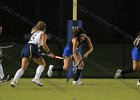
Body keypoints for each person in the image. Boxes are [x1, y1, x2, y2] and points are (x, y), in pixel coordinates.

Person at [10, 21, 55, 87]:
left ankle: (13, 81)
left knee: (23, 68)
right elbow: (43, 44)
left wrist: (38, 51)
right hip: (32, 47)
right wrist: (49, 53)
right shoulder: (43, 34)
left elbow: (36, 44)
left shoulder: (35, 32)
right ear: (44, 28)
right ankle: (36, 78)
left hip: (26, 47)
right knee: (42, 64)